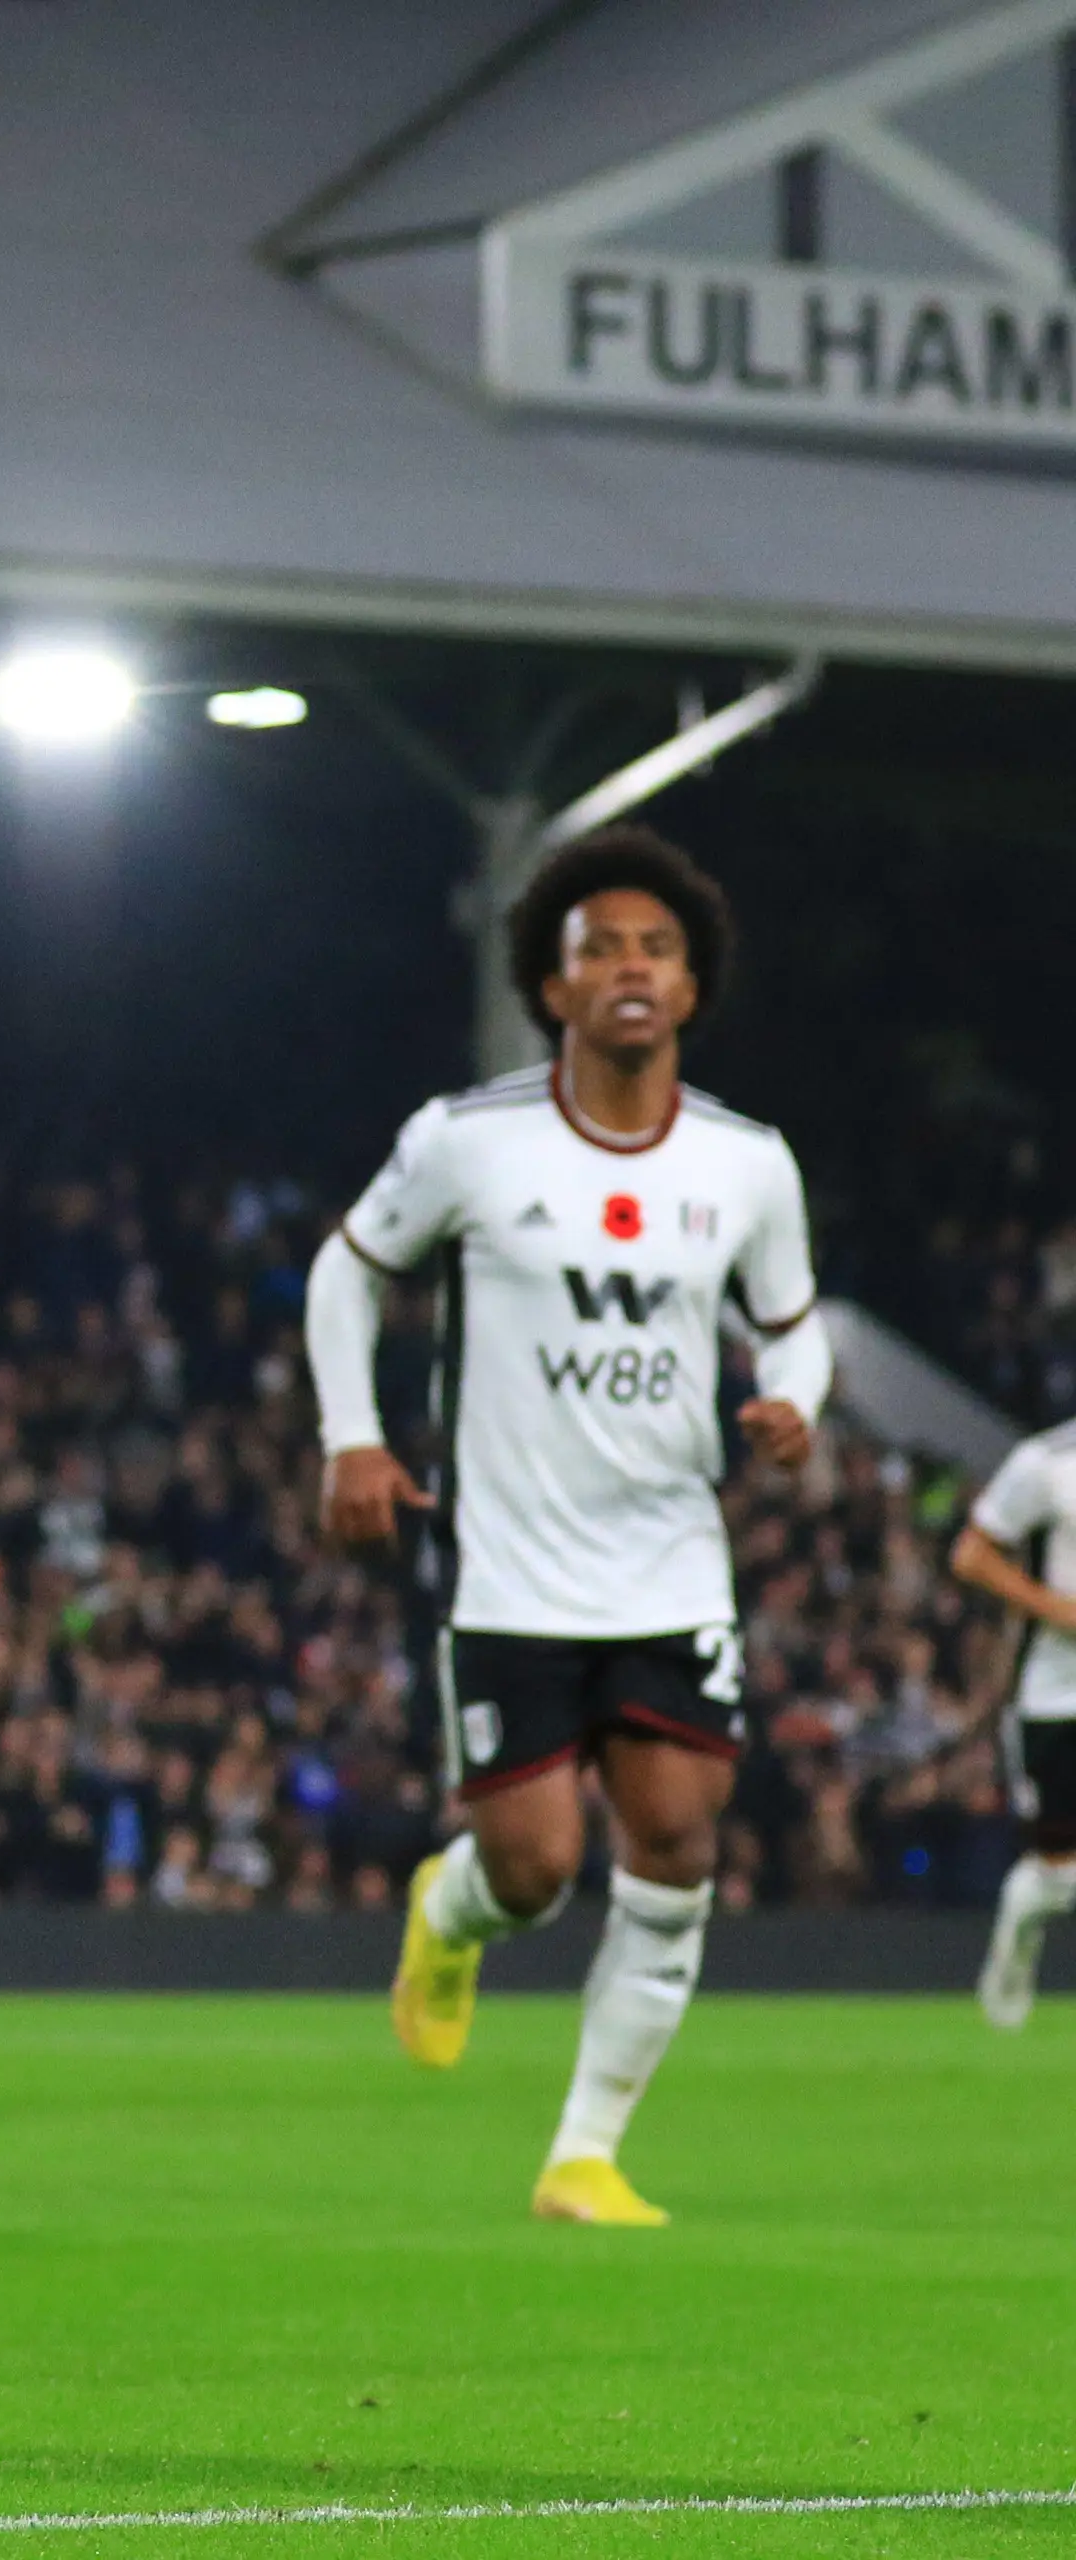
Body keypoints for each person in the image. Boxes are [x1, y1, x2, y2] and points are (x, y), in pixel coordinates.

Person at [307, 828, 828, 2227]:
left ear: (691, 986)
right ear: (555, 985)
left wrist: (790, 1403)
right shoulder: (468, 1141)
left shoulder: (746, 1165)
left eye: (657, 948)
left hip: (669, 1556)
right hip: (509, 1565)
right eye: (601, 946)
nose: (631, 968)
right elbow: (345, 1275)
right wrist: (349, 1434)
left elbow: (794, 1329)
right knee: (532, 1871)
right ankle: (450, 1911)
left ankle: (584, 2154)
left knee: (675, 1840)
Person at [949, 1419, 1076, 2025]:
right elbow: (972, 1555)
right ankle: (1015, 1942)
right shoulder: (1046, 1462)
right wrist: (1056, 1610)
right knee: (1057, 1874)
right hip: (1056, 1695)